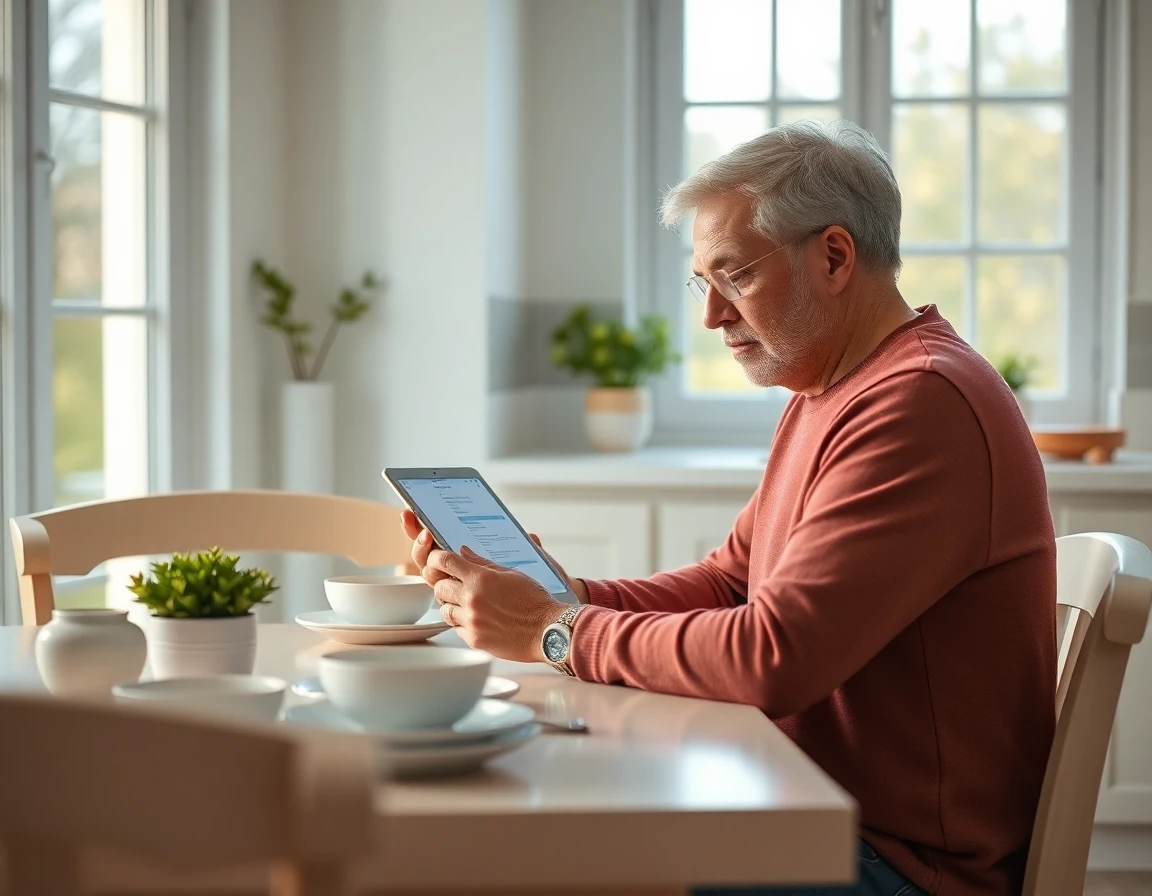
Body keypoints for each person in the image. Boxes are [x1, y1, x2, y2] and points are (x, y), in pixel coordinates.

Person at [399, 120, 1056, 896]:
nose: (711, 315)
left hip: (892, 865)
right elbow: (730, 581)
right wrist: (567, 598)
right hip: (809, 812)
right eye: (702, 282)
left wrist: (552, 631)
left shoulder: (919, 403)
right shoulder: (831, 393)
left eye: (735, 275)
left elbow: (773, 656)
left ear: (835, 257)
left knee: (516, 857)